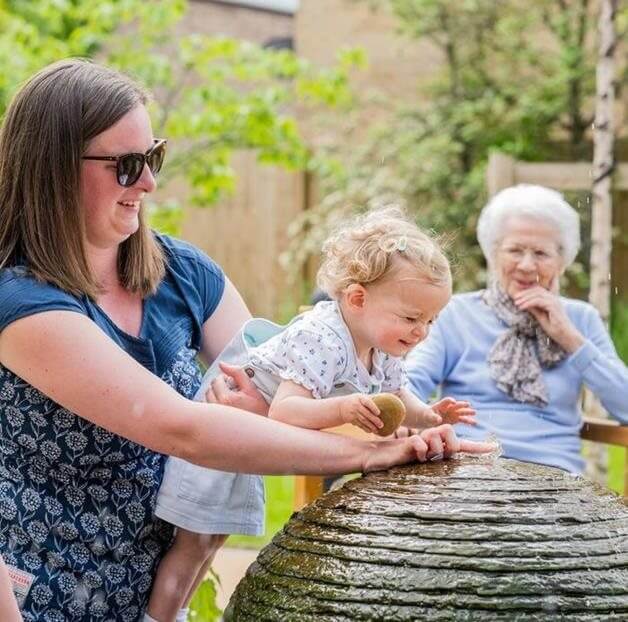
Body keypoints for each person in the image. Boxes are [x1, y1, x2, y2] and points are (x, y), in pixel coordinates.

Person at [0, 59, 493, 622]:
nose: (149, 183)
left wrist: (409, 428)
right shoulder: (21, 302)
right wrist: (372, 452)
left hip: (160, 601)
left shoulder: (183, 273)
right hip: (43, 598)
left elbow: (289, 376)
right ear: (55, 168)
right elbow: (183, 429)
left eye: (153, 157)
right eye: (127, 165)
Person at [150, 207, 477, 619]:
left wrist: (430, 415)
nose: (422, 332)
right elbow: (287, 412)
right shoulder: (323, 338)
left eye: (431, 320)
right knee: (192, 544)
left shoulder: (384, 345)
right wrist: (343, 407)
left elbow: (398, 398)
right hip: (222, 424)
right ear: (357, 299)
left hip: (251, 434)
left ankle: (175, 616)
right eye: (412, 318)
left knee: (214, 539)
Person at [406, 184, 628, 474]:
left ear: (562, 260)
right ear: (494, 253)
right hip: (466, 468)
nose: (526, 265)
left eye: (541, 253)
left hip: (554, 474)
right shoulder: (456, 313)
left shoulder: (580, 318)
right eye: (514, 250)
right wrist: (407, 419)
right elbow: (410, 381)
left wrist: (569, 338)